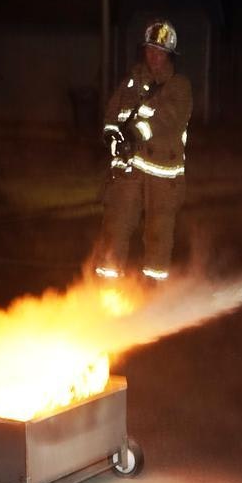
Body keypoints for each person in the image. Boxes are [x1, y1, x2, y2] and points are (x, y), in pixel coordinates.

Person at [94, 19, 192, 284]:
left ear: (170, 54)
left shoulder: (179, 87)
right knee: (115, 228)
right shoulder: (132, 81)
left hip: (162, 175)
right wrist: (112, 134)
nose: (154, 56)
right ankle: (106, 290)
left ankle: (152, 293)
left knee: (158, 235)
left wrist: (133, 135)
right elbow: (112, 112)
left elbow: (167, 119)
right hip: (129, 170)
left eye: (160, 51)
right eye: (150, 50)